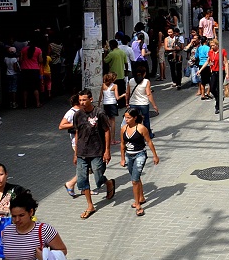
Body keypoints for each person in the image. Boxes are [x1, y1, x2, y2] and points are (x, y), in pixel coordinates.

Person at [69, 88, 115, 219]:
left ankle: (108, 183)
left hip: (97, 150)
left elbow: (106, 131)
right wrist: (75, 153)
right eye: (80, 100)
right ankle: (90, 205)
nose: (82, 102)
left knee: (98, 175)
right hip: (82, 152)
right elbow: (77, 133)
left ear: (90, 99)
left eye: (84, 100)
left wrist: (107, 150)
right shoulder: (77, 115)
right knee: (82, 179)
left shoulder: (99, 113)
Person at [1, 191, 67, 260]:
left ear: (31, 212)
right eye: (14, 216)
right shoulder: (8, 231)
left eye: (21, 215)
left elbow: (63, 250)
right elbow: (7, 259)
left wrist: (45, 257)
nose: (17, 219)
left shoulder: (44, 230)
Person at [120, 107, 160, 216]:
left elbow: (149, 142)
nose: (126, 119)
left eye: (128, 118)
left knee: (134, 180)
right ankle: (141, 197)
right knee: (135, 178)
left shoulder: (141, 128)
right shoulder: (123, 128)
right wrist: (122, 158)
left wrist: (155, 156)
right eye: (125, 117)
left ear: (135, 118)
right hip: (129, 155)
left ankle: (138, 204)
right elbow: (122, 144)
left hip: (140, 154)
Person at [198, 38, 228, 115]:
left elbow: (226, 63)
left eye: (213, 45)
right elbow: (207, 61)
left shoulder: (222, 51)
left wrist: (227, 73)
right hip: (214, 72)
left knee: (218, 87)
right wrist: (200, 70)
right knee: (212, 88)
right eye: (211, 46)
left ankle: (217, 106)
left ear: (217, 45)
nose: (212, 47)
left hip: (221, 72)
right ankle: (219, 98)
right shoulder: (210, 52)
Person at [127, 64, 159, 134]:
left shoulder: (131, 81)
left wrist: (127, 102)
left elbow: (127, 93)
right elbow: (148, 94)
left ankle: (135, 134)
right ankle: (148, 134)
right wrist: (154, 105)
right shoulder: (146, 81)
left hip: (133, 103)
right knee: (146, 120)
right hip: (144, 104)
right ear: (144, 73)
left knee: (135, 120)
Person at [18, 39, 43, 109]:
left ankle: (25, 104)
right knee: (35, 87)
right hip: (35, 70)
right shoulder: (38, 50)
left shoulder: (23, 49)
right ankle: (38, 103)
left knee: (25, 88)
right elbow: (40, 60)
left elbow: (20, 60)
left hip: (25, 70)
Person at [99, 73, 121, 141]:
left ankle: (106, 138)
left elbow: (100, 96)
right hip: (113, 104)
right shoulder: (115, 86)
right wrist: (124, 95)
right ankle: (113, 139)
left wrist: (99, 104)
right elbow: (117, 97)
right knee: (113, 121)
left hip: (106, 104)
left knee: (107, 121)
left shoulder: (103, 85)